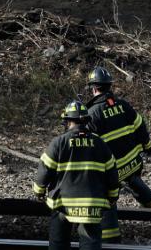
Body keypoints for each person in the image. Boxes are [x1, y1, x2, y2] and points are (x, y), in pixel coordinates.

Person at [84, 67, 151, 242]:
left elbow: (89, 148)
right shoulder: (123, 105)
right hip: (132, 164)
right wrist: (148, 147)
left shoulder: (91, 115)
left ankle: (111, 239)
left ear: (93, 88)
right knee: (134, 182)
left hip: (112, 172)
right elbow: (140, 124)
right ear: (109, 86)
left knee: (108, 199)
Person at [34, 101, 120, 250]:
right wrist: (113, 197)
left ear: (67, 122)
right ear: (86, 121)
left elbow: (45, 170)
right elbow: (112, 173)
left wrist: (39, 191)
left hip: (63, 204)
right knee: (90, 243)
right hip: (91, 205)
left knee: (58, 243)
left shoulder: (59, 143)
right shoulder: (100, 143)